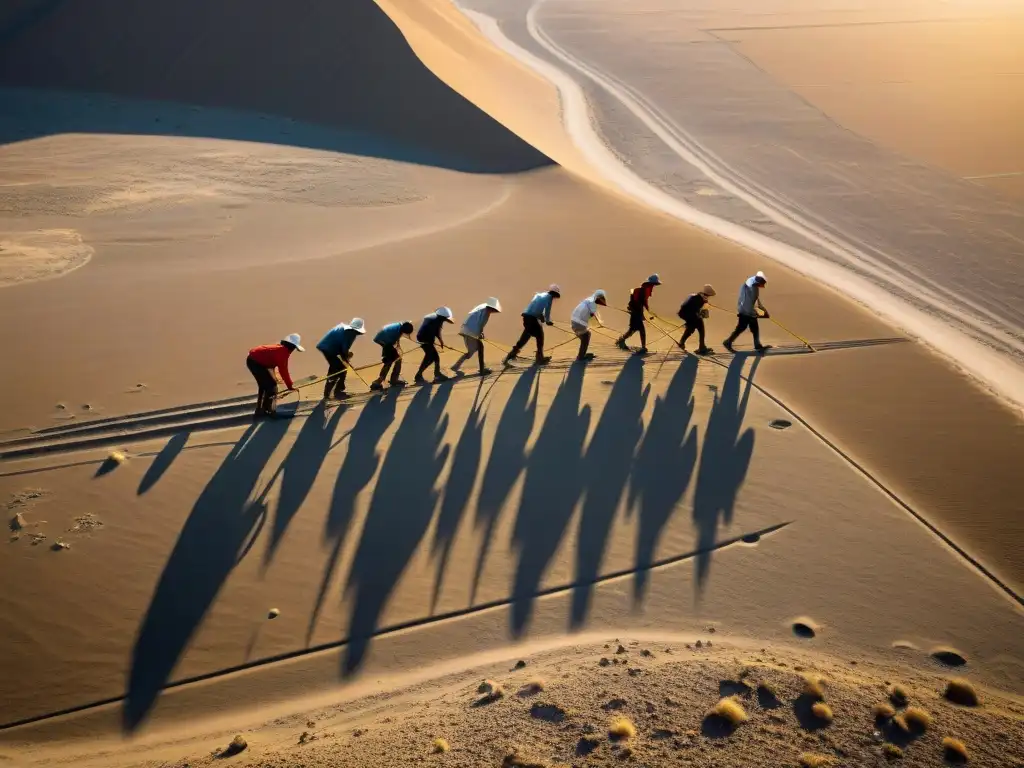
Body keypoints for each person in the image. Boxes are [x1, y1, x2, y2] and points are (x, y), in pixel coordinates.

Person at [246, 333, 304, 418]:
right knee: (272, 386)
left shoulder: (280, 349)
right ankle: (267, 410)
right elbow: (284, 371)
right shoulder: (283, 353)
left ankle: (260, 409)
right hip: (255, 362)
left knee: (264, 385)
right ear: (292, 347)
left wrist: (275, 377)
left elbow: (271, 364)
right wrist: (290, 386)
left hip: (254, 359)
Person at [504, 284, 560, 365]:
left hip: (526, 316)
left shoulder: (539, 295)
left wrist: (540, 316)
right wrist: (548, 321)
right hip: (532, 318)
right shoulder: (549, 298)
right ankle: (539, 358)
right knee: (540, 336)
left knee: (526, 336)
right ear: (554, 294)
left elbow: (533, 306)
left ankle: (511, 355)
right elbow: (547, 312)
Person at [315, 317, 366, 400]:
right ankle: (336, 392)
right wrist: (346, 359)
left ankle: (333, 391)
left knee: (338, 367)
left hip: (328, 347)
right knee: (339, 369)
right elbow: (344, 349)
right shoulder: (350, 333)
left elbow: (343, 348)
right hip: (329, 348)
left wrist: (346, 358)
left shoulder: (346, 330)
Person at [452, 297, 501, 376]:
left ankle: (456, 366)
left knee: (476, 349)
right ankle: (481, 369)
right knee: (476, 349)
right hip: (470, 331)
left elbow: (479, 323)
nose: (494, 311)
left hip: (467, 329)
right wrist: (479, 334)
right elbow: (479, 323)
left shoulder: (483, 308)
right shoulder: (485, 312)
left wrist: (480, 333)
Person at [723, 271, 769, 352]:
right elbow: (747, 303)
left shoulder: (752, 286)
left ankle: (757, 345)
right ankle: (728, 342)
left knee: (754, 329)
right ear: (759, 283)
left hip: (749, 312)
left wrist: (762, 309)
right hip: (746, 313)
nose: (763, 286)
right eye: (763, 284)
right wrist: (755, 314)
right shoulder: (751, 288)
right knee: (741, 328)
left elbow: (754, 300)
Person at [617, 273, 662, 354]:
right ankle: (643, 347)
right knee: (641, 330)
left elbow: (644, 301)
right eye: (654, 284)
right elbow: (639, 302)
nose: (654, 285)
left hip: (636, 312)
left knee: (632, 330)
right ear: (651, 283)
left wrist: (648, 312)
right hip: (636, 313)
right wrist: (642, 314)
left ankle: (621, 340)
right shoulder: (643, 290)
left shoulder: (646, 289)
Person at [370, 321, 415, 390]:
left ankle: (389, 380)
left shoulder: (399, 326)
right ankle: (379, 382)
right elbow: (391, 343)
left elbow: (396, 341)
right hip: (385, 341)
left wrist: (397, 350)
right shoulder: (397, 331)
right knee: (392, 361)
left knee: (393, 360)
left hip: (382, 339)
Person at [415, 307, 455, 384]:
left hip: (422, 337)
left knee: (432, 358)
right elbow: (432, 332)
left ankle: (424, 374)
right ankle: (434, 375)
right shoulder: (436, 320)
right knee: (432, 357)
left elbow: (436, 331)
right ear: (442, 317)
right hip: (425, 339)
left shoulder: (434, 317)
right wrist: (430, 342)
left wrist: (440, 341)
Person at [677, 284, 716, 354]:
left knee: (691, 328)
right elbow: (694, 311)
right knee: (699, 328)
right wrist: (693, 318)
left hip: (685, 313)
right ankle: (701, 347)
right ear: (707, 294)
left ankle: (682, 342)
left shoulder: (697, 296)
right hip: (687, 314)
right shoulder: (699, 300)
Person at [570, 289, 607, 360]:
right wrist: (599, 324)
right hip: (579, 322)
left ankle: (582, 353)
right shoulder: (593, 304)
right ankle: (581, 356)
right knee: (586, 336)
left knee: (585, 335)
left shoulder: (588, 299)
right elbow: (592, 316)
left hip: (573, 320)